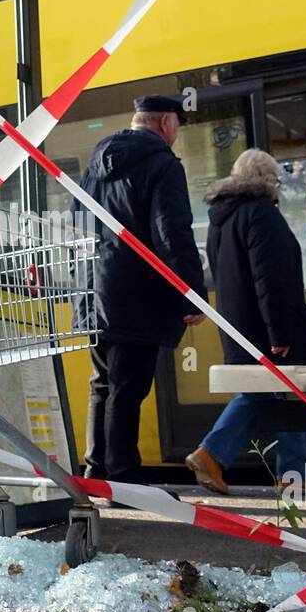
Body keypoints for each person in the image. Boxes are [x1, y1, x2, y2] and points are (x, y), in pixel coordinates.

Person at [74, 94, 207, 485]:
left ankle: (97, 469)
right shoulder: (161, 164)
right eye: (177, 126)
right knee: (129, 388)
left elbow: (75, 222)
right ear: (166, 122)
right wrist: (190, 294)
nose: (177, 134)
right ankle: (124, 477)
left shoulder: (94, 166)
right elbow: (172, 234)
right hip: (137, 295)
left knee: (103, 384)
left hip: (93, 291)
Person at [183, 150, 306, 496]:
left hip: (240, 327)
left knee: (272, 393)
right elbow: (271, 280)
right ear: (267, 181)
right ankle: (219, 454)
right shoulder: (262, 214)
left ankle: (223, 457)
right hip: (269, 328)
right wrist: (280, 333)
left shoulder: (222, 219)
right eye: (276, 181)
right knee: (286, 393)